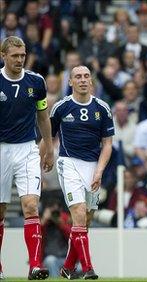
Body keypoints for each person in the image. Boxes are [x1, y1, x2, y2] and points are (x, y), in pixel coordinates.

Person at [48, 65, 114, 280]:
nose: (83, 80)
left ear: (91, 81)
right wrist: (43, 157)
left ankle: (67, 267)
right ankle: (87, 269)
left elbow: (107, 144)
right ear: (70, 82)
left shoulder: (102, 108)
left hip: (93, 166)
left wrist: (100, 171)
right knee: (78, 213)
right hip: (69, 163)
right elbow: (48, 136)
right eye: (78, 76)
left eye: (86, 76)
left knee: (85, 221)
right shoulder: (61, 107)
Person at [0, 36, 53, 280]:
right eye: (15, 56)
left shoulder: (36, 82)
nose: (20, 60)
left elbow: (43, 117)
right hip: (1, 150)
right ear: (4, 56)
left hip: (27, 149)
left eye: (22, 55)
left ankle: (34, 266)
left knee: (31, 206)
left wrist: (49, 147)